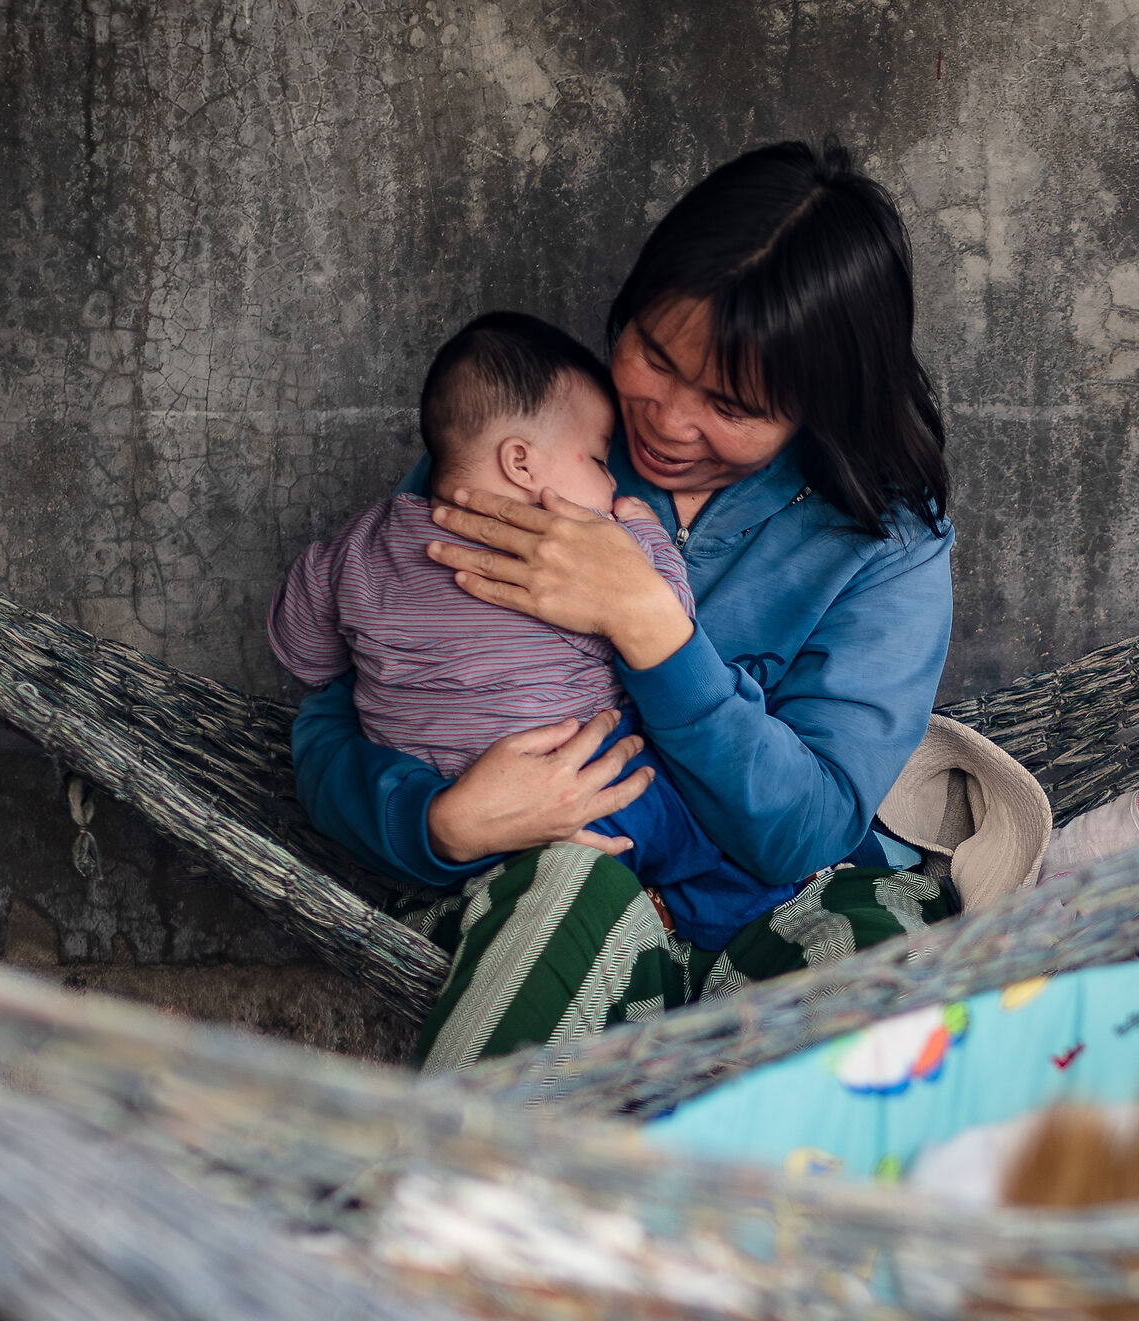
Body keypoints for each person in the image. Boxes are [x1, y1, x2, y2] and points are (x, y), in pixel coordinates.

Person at [289, 138, 958, 1075]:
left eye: (732, 405)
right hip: (539, 884)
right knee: (566, 895)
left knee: (884, 968)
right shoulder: (540, 443)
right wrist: (436, 824)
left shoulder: (884, 544)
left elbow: (809, 829)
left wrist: (651, 627)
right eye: (653, 355)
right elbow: (335, 723)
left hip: (784, 897)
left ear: (818, 405)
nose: (667, 421)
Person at [266, 311, 789, 953]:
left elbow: (305, 655)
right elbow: (664, 615)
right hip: (575, 784)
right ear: (520, 462)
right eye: (598, 459)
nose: (611, 480)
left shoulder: (358, 547)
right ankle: (701, 919)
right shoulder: (576, 560)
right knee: (730, 842)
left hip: (429, 791)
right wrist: (643, 535)